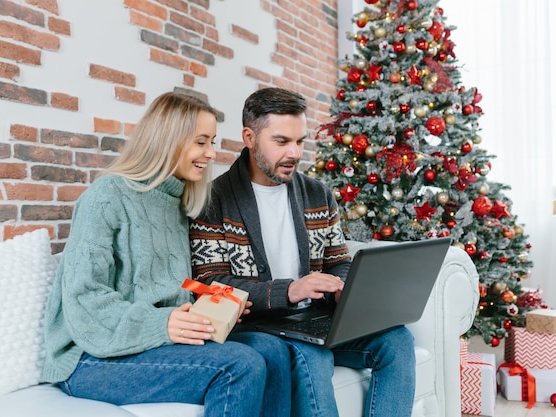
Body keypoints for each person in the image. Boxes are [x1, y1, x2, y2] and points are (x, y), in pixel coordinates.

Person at [40, 91, 292, 417]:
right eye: (201, 142)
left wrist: (214, 300)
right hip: (90, 357)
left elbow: (167, 287)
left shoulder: (177, 203)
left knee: (272, 349)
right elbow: (84, 301)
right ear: (167, 140)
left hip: (148, 343)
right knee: (238, 365)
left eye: (212, 141)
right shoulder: (107, 196)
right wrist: (164, 324)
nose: (212, 153)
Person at [190, 87, 417, 417]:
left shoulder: (317, 194)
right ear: (249, 137)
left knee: (397, 340)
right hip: (260, 327)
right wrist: (288, 291)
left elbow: (338, 260)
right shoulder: (213, 200)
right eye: (281, 141)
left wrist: (342, 288)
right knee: (314, 356)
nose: (295, 153)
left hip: (316, 318)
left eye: (300, 141)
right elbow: (211, 286)